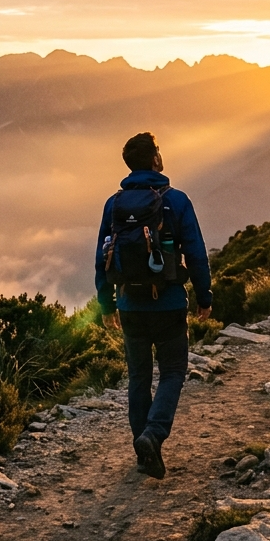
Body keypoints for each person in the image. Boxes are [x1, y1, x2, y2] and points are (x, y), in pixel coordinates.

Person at [95, 132, 213, 480]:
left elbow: (102, 257)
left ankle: (142, 452)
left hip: (130, 304)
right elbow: (195, 252)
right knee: (174, 371)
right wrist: (204, 297)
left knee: (139, 377)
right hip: (170, 303)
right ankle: (153, 435)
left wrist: (106, 304)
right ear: (155, 160)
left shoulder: (113, 203)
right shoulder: (175, 201)